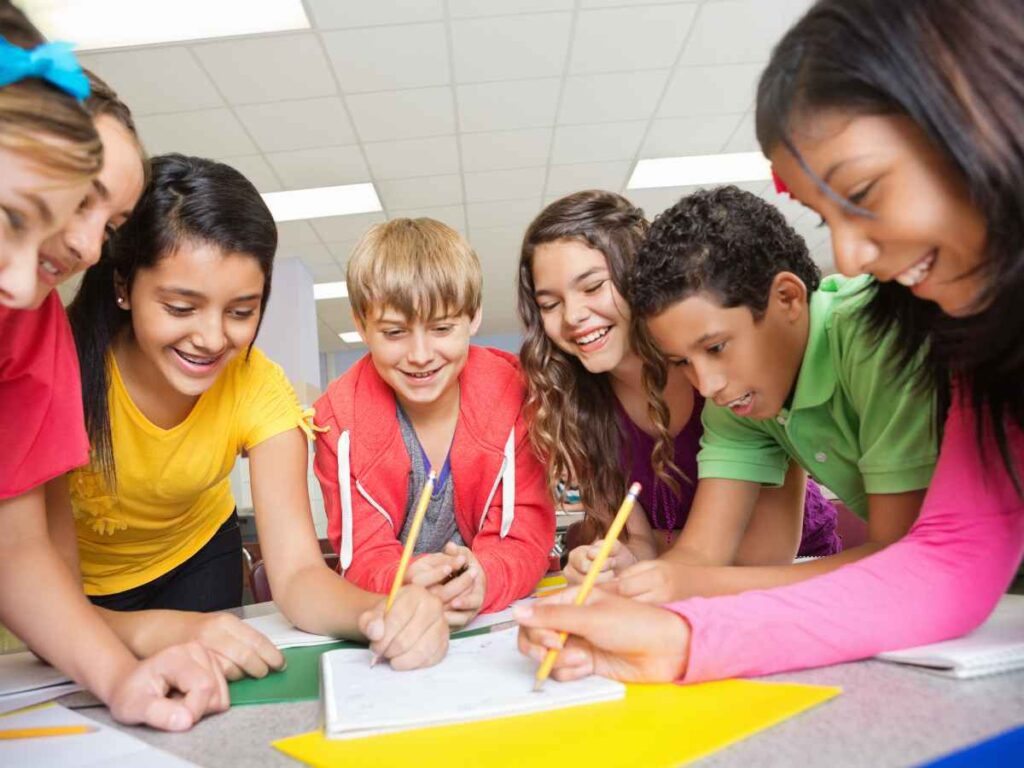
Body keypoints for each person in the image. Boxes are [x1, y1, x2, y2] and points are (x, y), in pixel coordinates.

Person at [515, 0, 1024, 683]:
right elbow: (952, 554)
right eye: (825, 215)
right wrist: (678, 635)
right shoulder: (968, 331)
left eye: (865, 190)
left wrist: (685, 611)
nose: (848, 255)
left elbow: (906, 551)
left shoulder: (881, 337)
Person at [67, 155, 448, 671]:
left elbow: (295, 575)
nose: (211, 338)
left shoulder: (257, 384)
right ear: (123, 286)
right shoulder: (62, 369)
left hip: (197, 563)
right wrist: (155, 627)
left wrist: (379, 613)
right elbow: (33, 581)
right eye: (180, 308)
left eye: (241, 311)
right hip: (71, 592)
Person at [0, 2, 227, 730]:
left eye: (113, 224)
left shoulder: (30, 323)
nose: (91, 249)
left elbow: (16, 545)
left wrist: (118, 676)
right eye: (77, 203)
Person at [613, 185, 936, 603]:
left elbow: (902, 556)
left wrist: (697, 584)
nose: (706, 385)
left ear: (787, 298)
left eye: (715, 348)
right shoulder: (739, 400)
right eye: (682, 362)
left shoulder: (876, 336)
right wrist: (626, 595)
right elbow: (700, 554)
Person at [517, 190, 840, 588]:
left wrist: (657, 563)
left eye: (593, 286)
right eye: (550, 304)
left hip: (795, 576)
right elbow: (641, 546)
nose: (573, 316)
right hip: (685, 585)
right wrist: (621, 561)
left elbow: (762, 557)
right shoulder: (577, 405)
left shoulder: (732, 374)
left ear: (641, 278)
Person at [313, 218, 555, 628]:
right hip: (397, 621)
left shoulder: (519, 396)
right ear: (361, 325)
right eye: (394, 332)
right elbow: (362, 555)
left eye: (442, 328)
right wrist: (402, 578)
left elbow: (524, 539)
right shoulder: (338, 419)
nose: (421, 355)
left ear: (473, 317)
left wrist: (485, 577)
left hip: (493, 624)